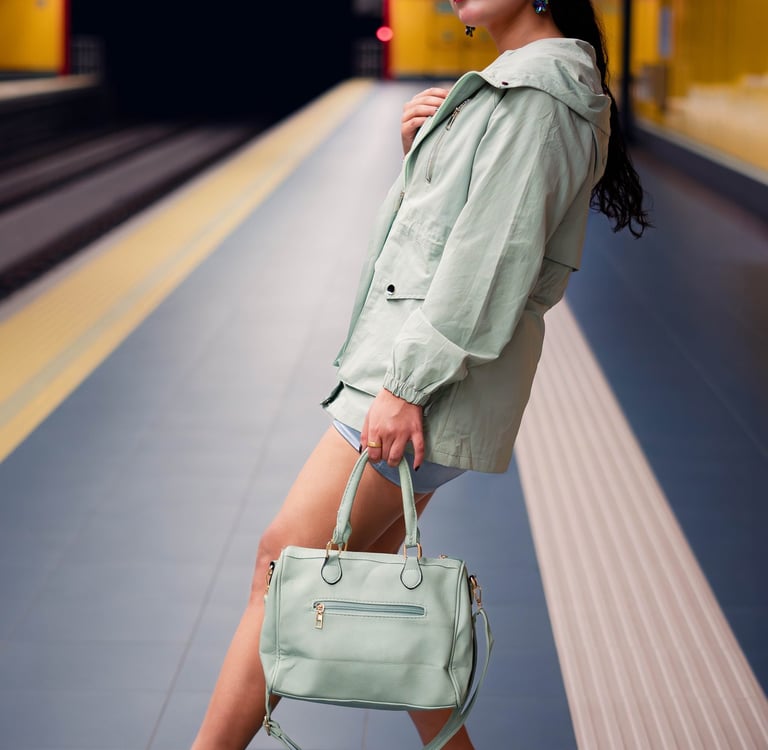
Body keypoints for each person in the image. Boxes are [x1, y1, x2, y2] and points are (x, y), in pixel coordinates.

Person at [191, 0, 650, 748]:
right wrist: (425, 150)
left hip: (421, 381)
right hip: (414, 370)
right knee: (374, 578)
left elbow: (489, 261)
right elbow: (461, 226)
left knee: (282, 562)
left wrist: (406, 386)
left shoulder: (538, 98)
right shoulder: (512, 87)